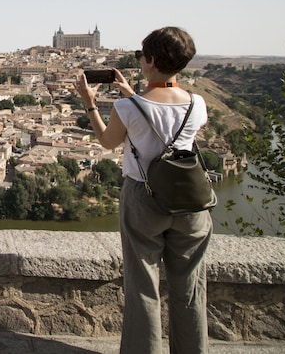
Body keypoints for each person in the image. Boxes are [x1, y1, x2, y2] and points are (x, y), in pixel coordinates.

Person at [75, 26, 211, 354]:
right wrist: (133, 93)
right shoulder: (198, 103)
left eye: (141, 55)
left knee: (142, 287)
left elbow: (108, 143)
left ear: (149, 60)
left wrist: (90, 104)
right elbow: (169, 126)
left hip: (144, 199)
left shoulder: (128, 108)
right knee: (190, 289)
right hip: (191, 202)